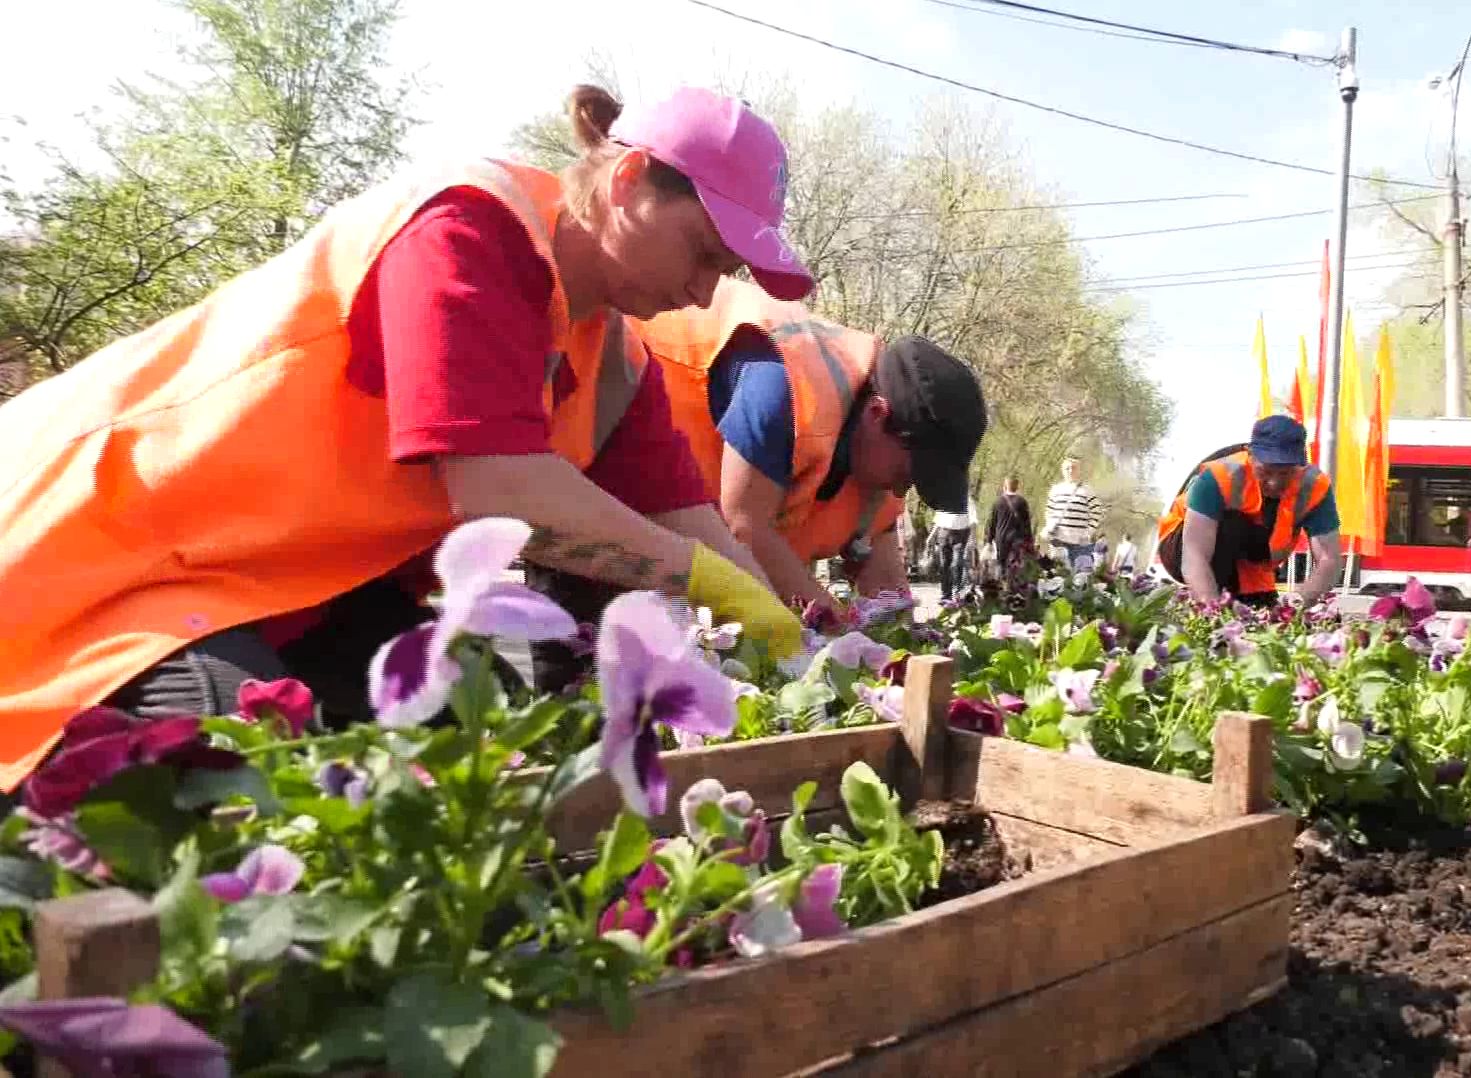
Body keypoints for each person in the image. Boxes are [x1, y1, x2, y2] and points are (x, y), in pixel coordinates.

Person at [0, 84, 813, 790]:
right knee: (229, 776)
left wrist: (783, 633)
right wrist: (716, 586)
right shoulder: (472, 227)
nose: (706, 289)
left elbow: (686, 519)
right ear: (630, 179)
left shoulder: (615, 360)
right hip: (124, 554)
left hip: (287, 588)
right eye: (703, 252)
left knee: (452, 772)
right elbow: (498, 490)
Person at [635, 276, 988, 626]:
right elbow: (744, 527)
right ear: (878, 414)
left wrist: (907, 644)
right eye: (910, 474)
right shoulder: (781, 385)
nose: (901, 489)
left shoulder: (877, 456)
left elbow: (886, 587)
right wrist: (838, 628)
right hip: (611, 449)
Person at [1155, 415, 1341, 607]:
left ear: (1302, 464)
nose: (1275, 483)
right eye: (1265, 471)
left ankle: (1240, 598)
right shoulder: (1218, 477)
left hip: (1251, 562)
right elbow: (1195, 554)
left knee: (1267, 617)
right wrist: (1212, 610)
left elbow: (1329, 559)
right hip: (1183, 548)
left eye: (1286, 473)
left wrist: (1300, 600)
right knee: (1232, 523)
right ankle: (1214, 599)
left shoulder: (1315, 486)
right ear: (1250, 455)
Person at [1044, 457, 1105, 570]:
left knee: (1080, 578)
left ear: (1079, 470)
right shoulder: (1055, 490)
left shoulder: (1087, 490)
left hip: (1080, 543)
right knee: (1059, 575)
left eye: (1074, 468)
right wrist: (1049, 528)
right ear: (1063, 470)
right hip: (1059, 541)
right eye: (1067, 468)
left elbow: (1096, 512)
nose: (1070, 471)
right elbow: (1049, 512)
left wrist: (1089, 532)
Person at [986, 476, 1034, 581]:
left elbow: (992, 522)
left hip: (1001, 538)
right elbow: (1027, 523)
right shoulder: (1022, 502)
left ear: (1004, 486)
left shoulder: (998, 502)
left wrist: (989, 540)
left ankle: (1002, 584)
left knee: (1001, 564)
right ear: (1017, 487)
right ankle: (1013, 585)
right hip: (1017, 538)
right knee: (1015, 563)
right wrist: (1030, 539)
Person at [931, 497, 977, 601]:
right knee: (944, 565)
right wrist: (931, 536)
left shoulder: (967, 500)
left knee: (957, 563)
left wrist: (973, 538)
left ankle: (957, 592)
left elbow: (973, 520)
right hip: (944, 533)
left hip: (960, 534)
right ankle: (945, 594)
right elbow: (938, 520)